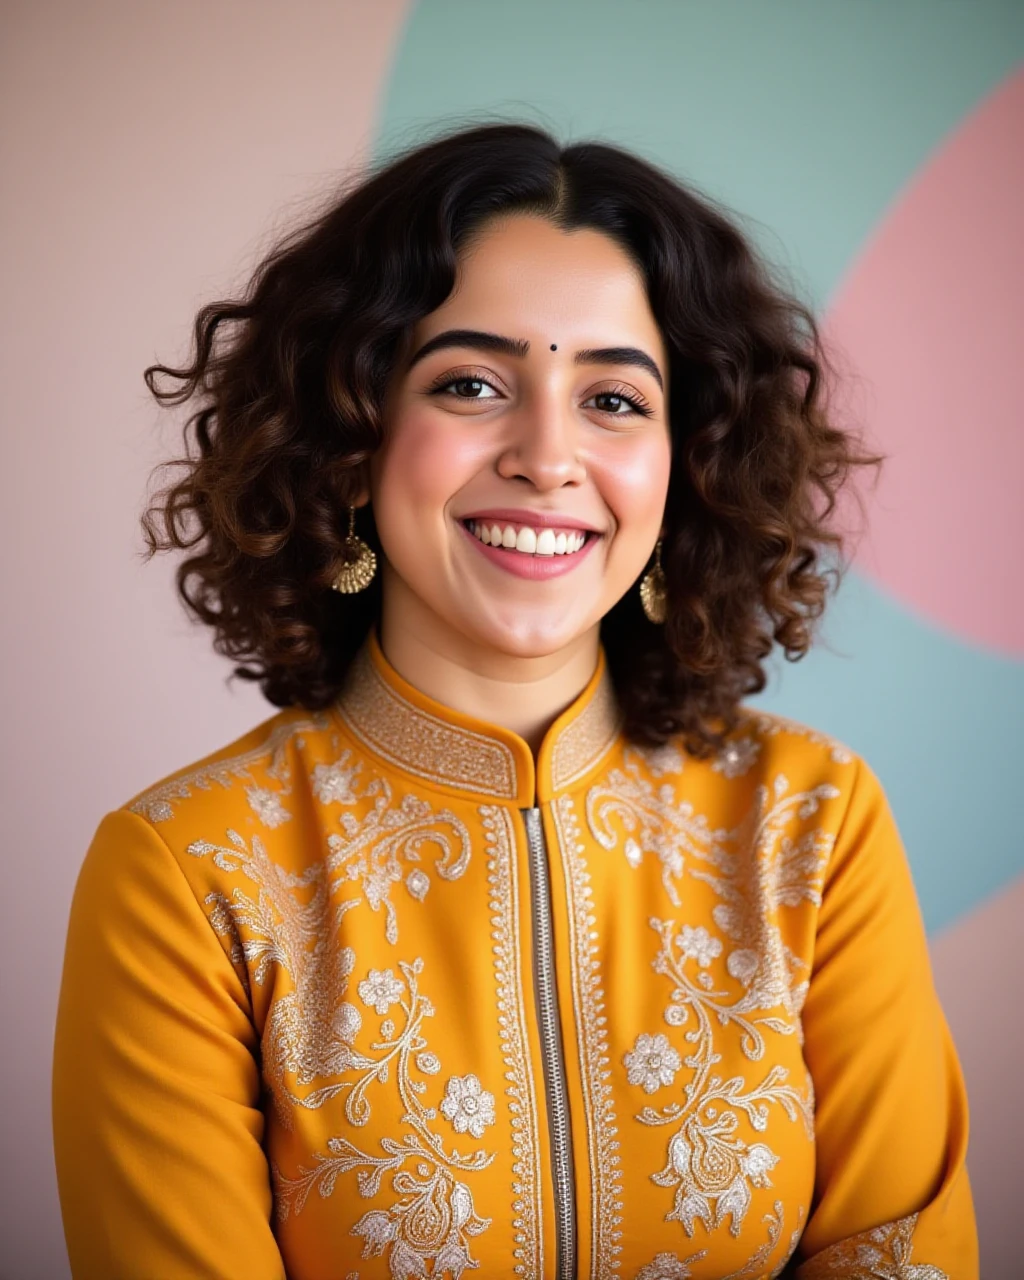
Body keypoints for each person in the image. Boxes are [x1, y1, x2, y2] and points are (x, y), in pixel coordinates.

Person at [51, 121, 978, 1279]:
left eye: (614, 400)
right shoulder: (188, 876)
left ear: (683, 465)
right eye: (472, 382)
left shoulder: (808, 828)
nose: (548, 454)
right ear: (351, 438)